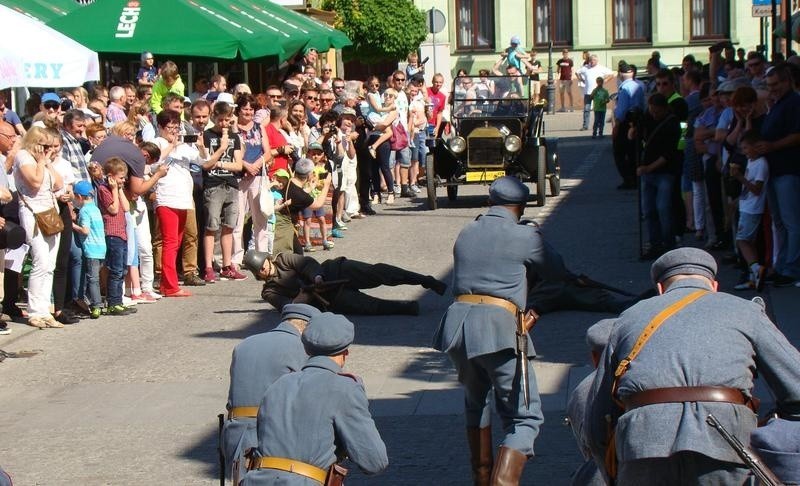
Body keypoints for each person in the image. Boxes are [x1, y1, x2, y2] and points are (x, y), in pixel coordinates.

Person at [586, 247, 800, 485]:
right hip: (726, 441)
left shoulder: (628, 318)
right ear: (714, 285)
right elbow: (796, 386)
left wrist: (613, 472)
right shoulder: (745, 310)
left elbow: (597, 420)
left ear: (660, 289)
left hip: (642, 447)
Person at [433, 176, 565, 485]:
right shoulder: (524, 236)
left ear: (490, 201)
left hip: (459, 328)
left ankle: (481, 476)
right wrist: (538, 237)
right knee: (526, 415)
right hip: (498, 329)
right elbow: (557, 271)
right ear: (520, 207)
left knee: (475, 401)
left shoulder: (467, 231)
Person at [242, 312, 388, 485]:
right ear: (345, 352)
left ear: (306, 349)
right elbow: (374, 462)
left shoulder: (278, 384)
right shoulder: (345, 388)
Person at [222, 303, 321, 483]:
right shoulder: (301, 348)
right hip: (273, 434)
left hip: (236, 433)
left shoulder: (245, 344)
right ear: (306, 327)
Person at [243, 249, 447, 316]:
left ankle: (425, 281)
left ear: (268, 258)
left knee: (379, 272)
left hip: (334, 271)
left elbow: (306, 263)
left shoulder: (283, 258)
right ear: (257, 274)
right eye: (259, 269)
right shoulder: (269, 292)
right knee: (371, 307)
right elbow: (288, 308)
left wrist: (317, 277)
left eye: (264, 263)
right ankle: (407, 307)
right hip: (327, 300)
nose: (264, 268)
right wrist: (306, 295)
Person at [14, 127, 65, 328]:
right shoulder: (23, 156)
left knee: (50, 265)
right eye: (45, 145)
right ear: (36, 142)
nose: (48, 149)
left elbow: (58, 184)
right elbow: (34, 182)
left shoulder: (43, 160)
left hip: (50, 212)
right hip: (33, 213)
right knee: (40, 261)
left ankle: (45, 310)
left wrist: (48, 163)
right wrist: (42, 162)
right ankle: (35, 311)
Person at [756, 63, 800, 287]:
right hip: (774, 170)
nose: (772, 89)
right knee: (780, 222)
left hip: (788, 169)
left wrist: (772, 146)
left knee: (792, 222)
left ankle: (792, 268)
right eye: (769, 85)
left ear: (787, 81)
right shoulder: (778, 103)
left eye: (775, 85)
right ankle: (782, 265)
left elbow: (797, 135)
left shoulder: (794, 102)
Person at [201, 102, 245, 283]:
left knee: (229, 226)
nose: (224, 124)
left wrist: (218, 163)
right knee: (211, 227)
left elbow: (238, 165)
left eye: (227, 120)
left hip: (231, 184)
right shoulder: (206, 135)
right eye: (220, 120)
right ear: (214, 118)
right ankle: (209, 266)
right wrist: (220, 148)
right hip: (213, 184)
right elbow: (205, 163)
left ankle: (227, 265)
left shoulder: (234, 137)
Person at [634, 94, 682, 260]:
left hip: (665, 172)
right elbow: (634, 137)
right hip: (647, 173)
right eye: (651, 111)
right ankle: (654, 244)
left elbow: (668, 155)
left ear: (664, 108)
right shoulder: (647, 118)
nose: (653, 114)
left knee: (663, 208)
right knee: (648, 210)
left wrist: (647, 168)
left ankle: (668, 244)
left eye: (656, 112)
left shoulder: (672, 123)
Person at [97, 157, 136, 316]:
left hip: (122, 233)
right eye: (121, 178)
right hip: (112, 233)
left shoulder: (118, 190)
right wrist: (114, 189)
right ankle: (113, 302)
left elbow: (126, 207)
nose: (124, 180)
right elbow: (113, 209)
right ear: (111, 177)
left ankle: (118, 300)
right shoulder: (103, 189)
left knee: (122, 270)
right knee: (115, 269)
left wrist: (119, 189)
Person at [731, 129, 769, 291]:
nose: (744, 152)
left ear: (756, 147)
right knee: (748, 241)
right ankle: (753, 276)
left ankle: (756, 269)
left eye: (746, 148)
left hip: (753, 209)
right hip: (746, 205)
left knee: (742, 240)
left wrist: (739, 177)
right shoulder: (752, 162)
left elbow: (757, 189)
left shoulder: (761, 164)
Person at [72, 180, 105, 319]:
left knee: (92, 279)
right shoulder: (95, 208)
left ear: (79, 196)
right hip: (101, 248)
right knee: (93, 277)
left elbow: (85, 230)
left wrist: (73, 225)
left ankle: (96, 305)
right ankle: (93, 301)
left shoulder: (85, 211)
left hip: (91, 249)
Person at [612, 62, 645, 189]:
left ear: (620, 74)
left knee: (619, 152)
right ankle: (635, 178)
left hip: (626, 122)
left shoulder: (624, 88)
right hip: (637, 120)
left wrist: (617, 126)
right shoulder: (638, 85)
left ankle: (628, 179)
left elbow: (621, 110)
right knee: (633, 151)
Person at [577, 55, 613, 131]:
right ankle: (585, 125)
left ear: (597, 61)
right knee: (586, 109)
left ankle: (599, 126)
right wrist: (581, 79)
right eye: (590, 60)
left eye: (593, 60)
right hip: (588, 92)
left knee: (598, 110)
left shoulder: (601, 68)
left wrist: (605, 81)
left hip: (598, 93)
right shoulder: (585, 68)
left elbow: (611, 74)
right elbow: (577, 72)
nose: (592, 61)